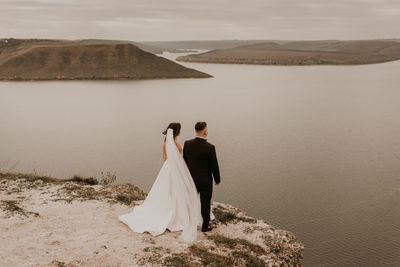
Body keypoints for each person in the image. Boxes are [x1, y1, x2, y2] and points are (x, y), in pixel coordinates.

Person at [118, 122, 202, 243]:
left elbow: (164, 158)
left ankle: (167, 209)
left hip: (167, 168)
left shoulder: (165, 144)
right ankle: (177, 213)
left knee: (165, 190)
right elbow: (181, 157)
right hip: (175, 169)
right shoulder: (176, 144)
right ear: (177, 132)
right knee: (176, 190)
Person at [183, 122, 221, 232]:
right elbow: (214, 165)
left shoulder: (187, 144)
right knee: (205, 203)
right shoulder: (210, 147)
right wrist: (217, 180)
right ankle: (205, 227)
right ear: (205, 131)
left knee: (190, 201)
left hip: (191, 179)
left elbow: (185, 161)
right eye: (207, 129)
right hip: (205, 181)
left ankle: (189, 223)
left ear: (195, 131)